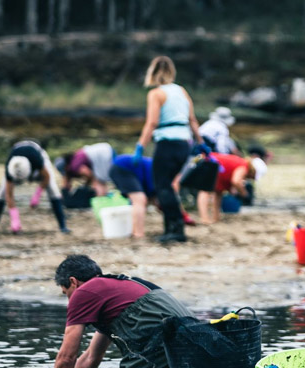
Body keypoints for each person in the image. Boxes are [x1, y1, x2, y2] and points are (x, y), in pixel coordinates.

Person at [52, 254, 195, 368]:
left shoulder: (83, 292)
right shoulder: (117, 291)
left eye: (66, 293)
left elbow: (66, 358)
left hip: (162, 342)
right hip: (194, 341)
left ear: (73, 282)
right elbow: (91, 358)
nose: (69, 300)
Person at [135, 55, 204, 243]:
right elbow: (192, 120)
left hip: (166, 144)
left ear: (153, 73)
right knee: (171, 187)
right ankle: (170, 228)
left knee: (163, 187)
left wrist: (140, 146)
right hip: (184, 144)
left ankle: (176, 229)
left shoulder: (156, 94)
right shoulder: (181, 91)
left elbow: (152, 123)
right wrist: (201, 142)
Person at [0, 140, 69, 234]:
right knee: (1, 193)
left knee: (53, 189)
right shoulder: (10, 168)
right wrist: (15, 219)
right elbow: (9, 195)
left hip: (37, 152)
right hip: (17, 156)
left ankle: (63, 226)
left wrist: (37, 194)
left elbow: (47, 177)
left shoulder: (37, 160)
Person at [199, 152, 256, 224]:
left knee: (218, 193)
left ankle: (216, 218)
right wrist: (244, 194)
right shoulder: (244, 166)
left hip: (216, 167)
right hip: (210, 162)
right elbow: (236, 181)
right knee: (205, 191)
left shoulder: (242, 163)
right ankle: (204, 219)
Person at [108, 153, 156, 239]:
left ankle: (132, 230)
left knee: (138, 200)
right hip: (122, 167)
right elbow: (152, 194)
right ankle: (138, 234)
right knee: (139, 199)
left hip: (125, 168)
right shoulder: (158, 173)